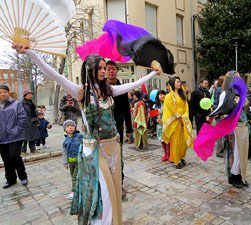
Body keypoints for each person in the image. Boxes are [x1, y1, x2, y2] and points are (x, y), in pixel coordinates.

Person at [12, 43, 160, 225]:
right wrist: (30, 52)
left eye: (106, 68)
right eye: (101, 68)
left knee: (113, 187)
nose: (105, 71)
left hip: (113, 146)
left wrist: (153, 74)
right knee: (102, 191)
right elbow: (53, 74)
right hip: (94, 149)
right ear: (91, 69)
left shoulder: (109, 91)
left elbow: (134, 84)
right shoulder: (80, 91)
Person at [105, 60, 133, 199]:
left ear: (117, 71)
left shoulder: (122, 88)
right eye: (108, 69)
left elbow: (126, 109)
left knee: (118, 156)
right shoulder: (100, 87)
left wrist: (129, 127)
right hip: (102, 128)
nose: (111, 71)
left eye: (113, 69)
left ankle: (119, 183)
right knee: (104, 157)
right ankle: (106, 184)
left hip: (117, 127)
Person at [162, 77, 194, 169]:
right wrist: (179, 117)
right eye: (178, 82)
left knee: (184, 141)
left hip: (184, 120)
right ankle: (176, 160)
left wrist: (184, 117)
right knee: (176, 141)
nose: (179, 83)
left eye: (179, 82)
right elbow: (171, 109)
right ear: (173, 83)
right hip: (175, 122)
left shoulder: (183, 94)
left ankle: (182, 157)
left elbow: (186, 107)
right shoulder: (168, 97)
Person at [0, 84, 28, 189]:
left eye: (4, 92)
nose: (2, 94)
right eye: (0, 92)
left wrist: (17, 130)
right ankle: (10, 179)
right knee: (6, 159)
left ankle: (23, 176)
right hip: (1, 138)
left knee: (14, 156)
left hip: (15, 136)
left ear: (8, 93)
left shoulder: (16, 104)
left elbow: (22, 118)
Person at [62, 120, 83, 200]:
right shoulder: (65, 141)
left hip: (79, 161)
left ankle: (74, 192)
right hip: (71, 162)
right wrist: (65, 163)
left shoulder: (80, 136)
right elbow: (64, 153)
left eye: (72, 126)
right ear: (65, 129)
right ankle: (79, 188)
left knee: (75, 176)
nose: (70, 127)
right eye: (68, 126)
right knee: (73, 176)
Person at [21, 89, 40, 153]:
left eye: (31, 94)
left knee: (32, 136)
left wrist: (37, 119)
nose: (30, 96)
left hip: (32, 121)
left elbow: (35, 112)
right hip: (25, 122)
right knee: (24, 138)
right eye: (29, 94)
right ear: (25, 96)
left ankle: (33, 149)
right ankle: (23, 151)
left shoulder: (32, 103)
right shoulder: (22, 103)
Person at [152, 90, 170, 161]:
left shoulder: (168, 104)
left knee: (168, 140)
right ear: (158, 96)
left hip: (168, 125)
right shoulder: (155, 106)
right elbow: (153, 117)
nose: (162, 96)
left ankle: (169, 155)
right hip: (159, 126)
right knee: (162, 140)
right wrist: (156, 120)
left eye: (164, 94)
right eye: (160, 95)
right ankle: (166, 154)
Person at [213, 75, 225, 158]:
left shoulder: (217, 89)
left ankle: (219, 150)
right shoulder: (222, 90)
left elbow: (215, 102)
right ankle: (220, 151)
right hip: (221, 115)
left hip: (217, 113)